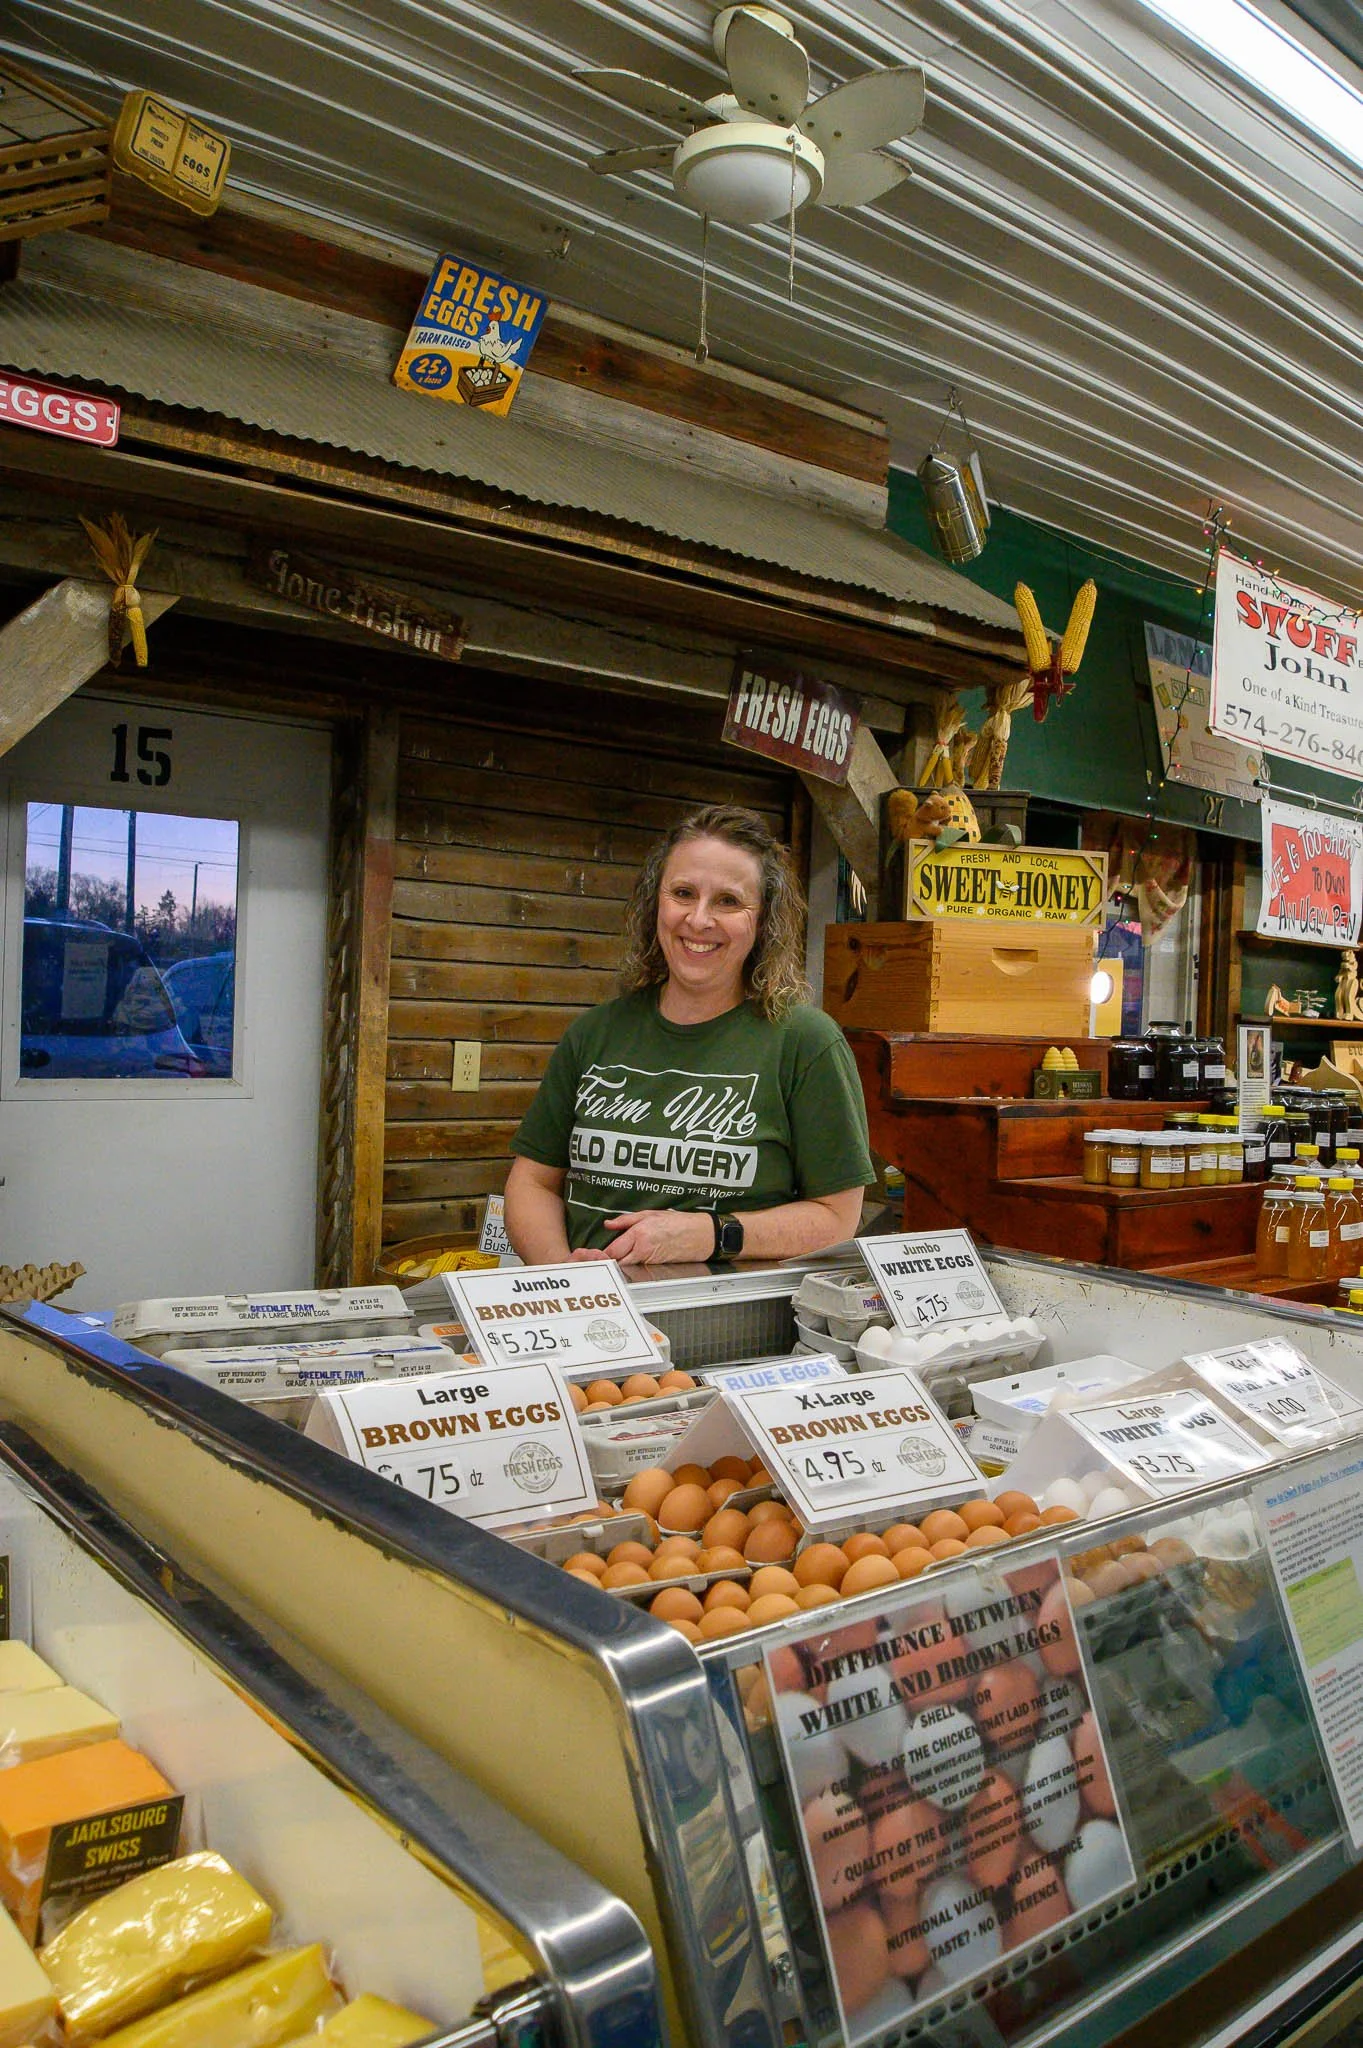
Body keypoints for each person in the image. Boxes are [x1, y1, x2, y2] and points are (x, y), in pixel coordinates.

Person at [504, 803, 874, 1265]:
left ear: (763, 921)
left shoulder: (806, 1042)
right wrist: (562, 1277)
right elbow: (532, 1182)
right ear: (654, 901)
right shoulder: (594, 1033)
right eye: (683, 893)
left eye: (728, 901)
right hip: (594, 1318)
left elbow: (837, 1217)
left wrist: (712, 1234)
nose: (699, 920)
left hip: (734, 1325)